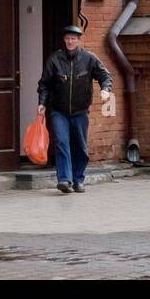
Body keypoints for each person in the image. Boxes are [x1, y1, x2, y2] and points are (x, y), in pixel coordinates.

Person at [36, 25, 113, 193]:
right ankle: (64, 180)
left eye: (73, 39)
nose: (70, 41)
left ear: (79, 40)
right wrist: (42, 103)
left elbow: (105, 76)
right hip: (59, 110)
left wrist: (105, 89)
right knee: (62, 143)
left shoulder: (89, 59)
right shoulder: (55, 59)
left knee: (80, 146)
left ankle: (78, 179)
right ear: (64, 40)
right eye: (68, 39)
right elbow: (44, 84)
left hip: (80, 111)